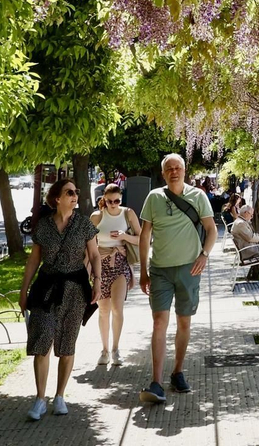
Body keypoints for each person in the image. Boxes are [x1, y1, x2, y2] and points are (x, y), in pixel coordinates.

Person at [18, 177, 101, 421]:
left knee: (67, 344)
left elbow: (94, 255)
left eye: (75, 192)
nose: (75, 196)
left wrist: (97, 280)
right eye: (69, 192)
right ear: (57, 199)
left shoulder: (84, 224)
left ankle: (60, 396)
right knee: (42, 339)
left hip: (75, 290)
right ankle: (40, 399)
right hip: (45, 288)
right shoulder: (43, 226)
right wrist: (23, 290)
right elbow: (34, 260)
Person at [138, 154, 216, 404]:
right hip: (160, 269)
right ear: (163, 173)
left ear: (184, 171)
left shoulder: (198, 196)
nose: (174, 172)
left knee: (184, 322)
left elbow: (212, 229)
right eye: (169, 169)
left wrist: (204, 255)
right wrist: (143, 271)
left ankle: (178, 372)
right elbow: (144, 236)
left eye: (178, 168)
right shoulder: (154, 197)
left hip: (189, 270)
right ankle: (156, 382)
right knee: (159, 323)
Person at [91, 182, 141, 367]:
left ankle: (115, 349)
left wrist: (124, 236)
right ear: (104, 200)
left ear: (121, 199)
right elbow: (88, 243)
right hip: (101, 264)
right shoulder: (97, 217)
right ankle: (104, 350)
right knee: (103, 309)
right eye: (110, 201)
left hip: (121, 264)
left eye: (117, 201)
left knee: (117, 308)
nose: (113, 204)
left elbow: (142, 238)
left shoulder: (128, 213)